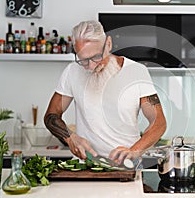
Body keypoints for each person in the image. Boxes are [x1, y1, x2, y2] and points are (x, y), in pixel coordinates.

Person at [44, 20, 166, 165]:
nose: (90, 66)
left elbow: (158, 122)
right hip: (86, 166)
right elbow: (52, 115)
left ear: (108, 44)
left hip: (126, 166)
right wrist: (70, 138)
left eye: (96, 57)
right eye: (83, 60)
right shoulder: (72, 72)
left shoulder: (137, 72)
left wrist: (134, 150)